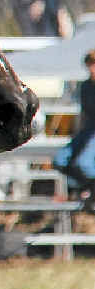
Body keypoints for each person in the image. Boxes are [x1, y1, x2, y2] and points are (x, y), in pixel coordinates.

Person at [56, 49, 95, 187]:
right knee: (59, 160)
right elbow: (84, 114)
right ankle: (89, 188)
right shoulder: (85, 86)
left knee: (84, 165)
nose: (91, 69)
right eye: (89, 65)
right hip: (88, 130)